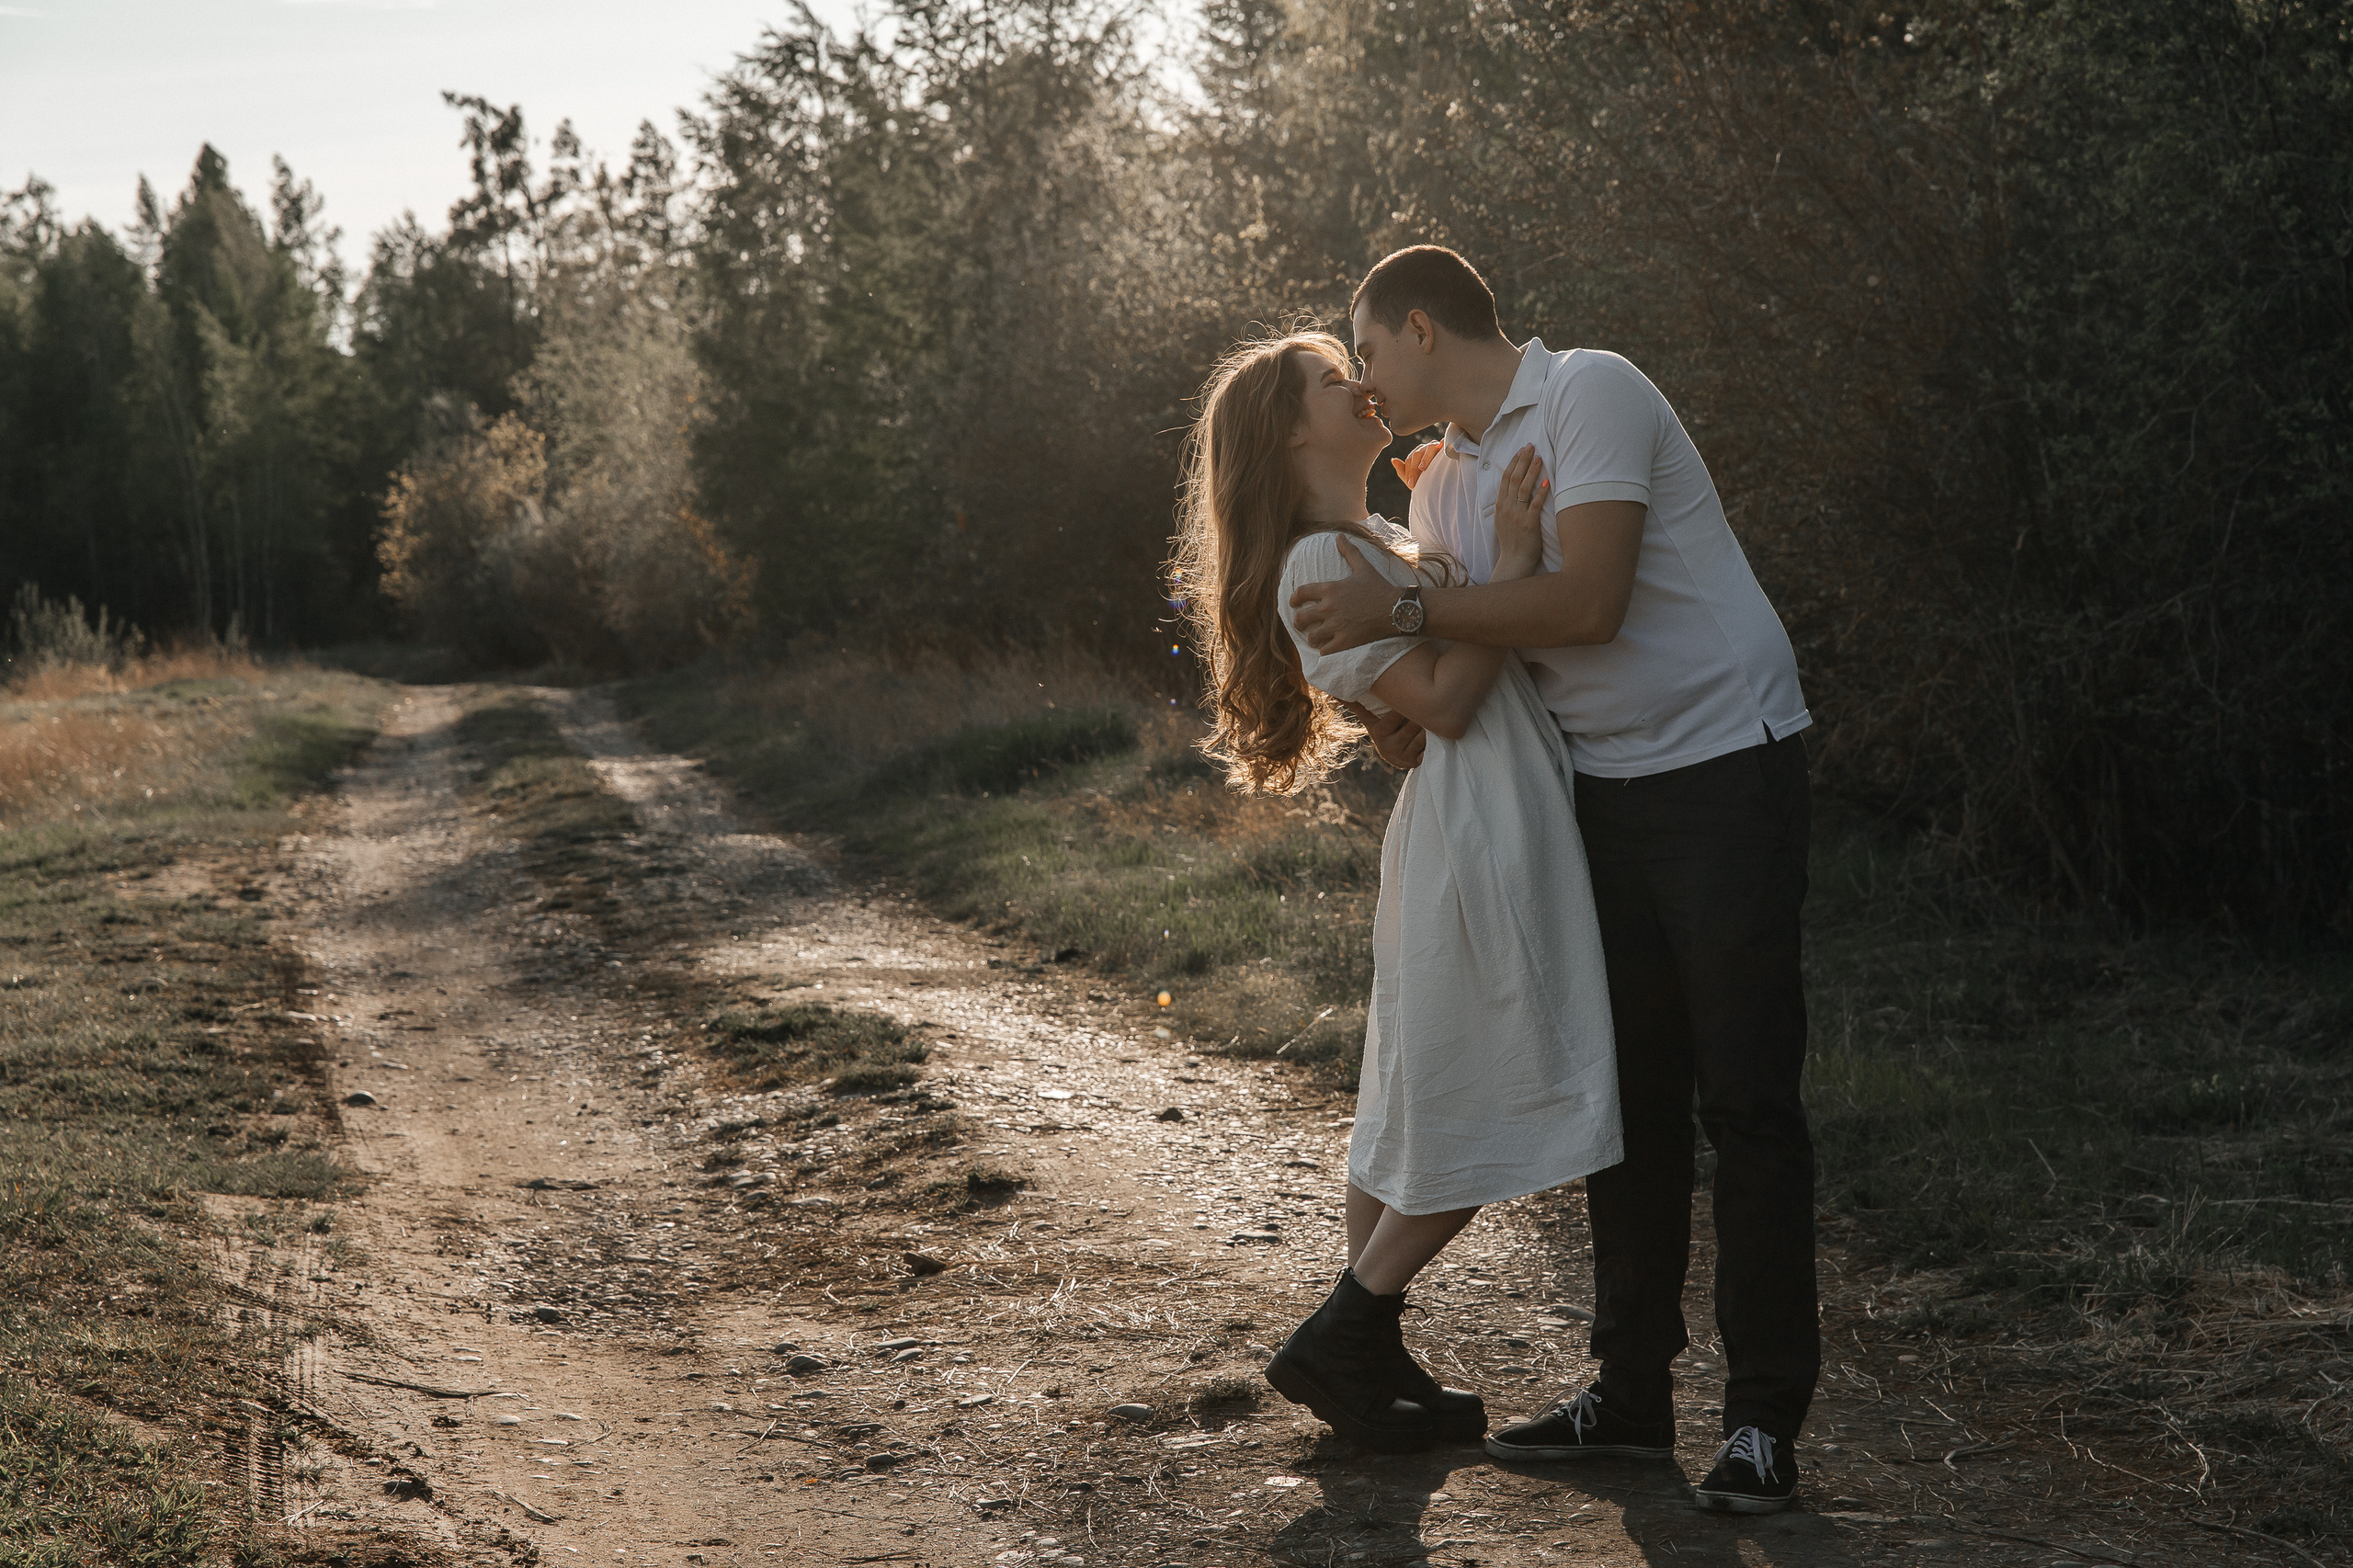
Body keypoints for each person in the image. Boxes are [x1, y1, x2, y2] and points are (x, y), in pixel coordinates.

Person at [1289, 245, 1818, 1514]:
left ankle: (1761, 1425)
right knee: (1630, 1104)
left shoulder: (1594, 394)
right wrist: (1393, 709)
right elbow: (1466, 666)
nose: (1365, 379)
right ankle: (1630, 1398)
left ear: (1421, 328)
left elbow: (1582, 603)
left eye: (1368, 349)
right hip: (1596, 798)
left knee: (1744, 1097)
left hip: (1723, 767)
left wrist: (1401, 622)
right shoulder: (1442, 490)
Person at [1170, 329, 1622, 1454]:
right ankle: (1348, 1328)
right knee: (1481, 1082)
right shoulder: (1323, 564)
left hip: (1469, 805)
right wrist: (1511, 560)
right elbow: (1452, 703)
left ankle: (1366, 1354)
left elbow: (1409, 722)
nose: (1362, 384)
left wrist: (1448, 536)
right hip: (1481, 824)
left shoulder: (1369, 536)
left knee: (1410, 1096)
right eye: (1336, 380)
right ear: (1285, 432)